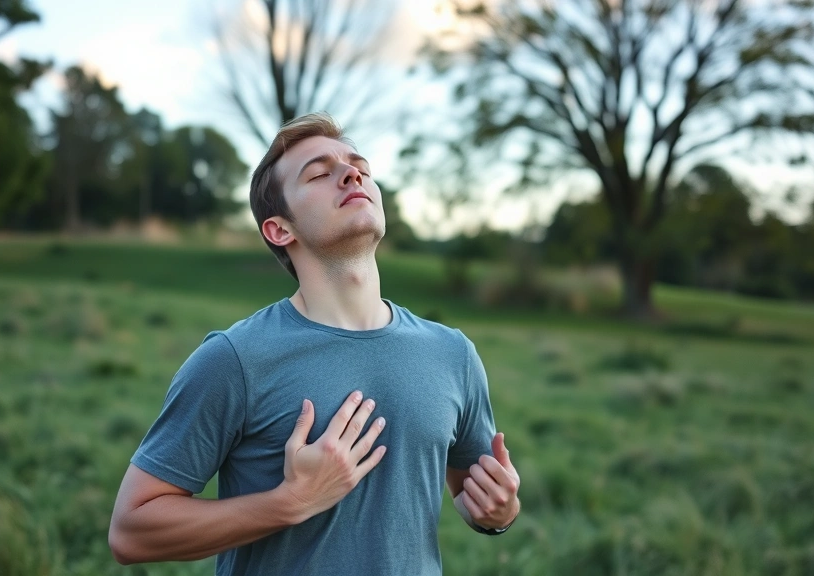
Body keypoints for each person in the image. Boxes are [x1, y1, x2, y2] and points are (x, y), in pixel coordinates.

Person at [108, 113, 520, 575]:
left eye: (359, 165)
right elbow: (130, 530)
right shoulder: (234, 360)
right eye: (320, 174)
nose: (352, 173)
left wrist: (498, 515)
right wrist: (289, 503)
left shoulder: (453, 354)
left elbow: (476, 493)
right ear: (280, 229)